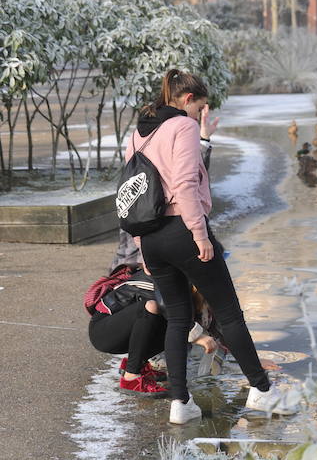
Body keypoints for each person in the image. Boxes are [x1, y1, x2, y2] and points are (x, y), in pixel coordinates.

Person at [126, 68, 295, 424]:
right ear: (188, 100)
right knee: (230, 313)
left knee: (178, 319)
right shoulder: (182, 127)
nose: (198, 116)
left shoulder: (139, 133)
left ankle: (180, 404)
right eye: (199, 108)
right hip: (183, 230)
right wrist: (200, 235)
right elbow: (185, 185)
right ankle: (263, 392)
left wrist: (144, 246)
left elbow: (134, 194)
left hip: (152, 238)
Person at [86, 265, 220, 397]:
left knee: (175, 329)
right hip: (103, 333)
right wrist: (198, 336)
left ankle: (135, 364)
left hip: (123, 330)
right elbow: (167, 307)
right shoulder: (168, 274)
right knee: (153, 308)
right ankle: (131, 378)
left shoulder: (188, 283)